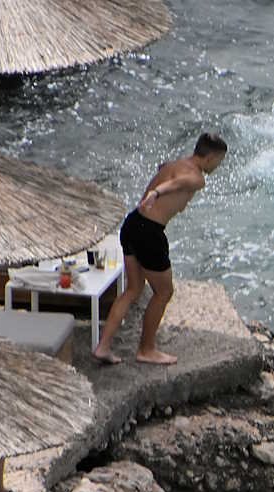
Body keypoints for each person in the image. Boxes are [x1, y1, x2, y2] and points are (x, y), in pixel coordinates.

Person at [93, 132, 230, 366]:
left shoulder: (177, 163)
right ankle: (146, 350)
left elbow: (166, 170)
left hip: (133, 223)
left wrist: (159, 184)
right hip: (149, 233)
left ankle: (103, 347)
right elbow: (176, 184)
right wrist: (156, 193)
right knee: (164, 293)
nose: (219, 166)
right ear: (209, 158)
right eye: (219, 161)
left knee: (134, 289)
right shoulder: (197, 177)